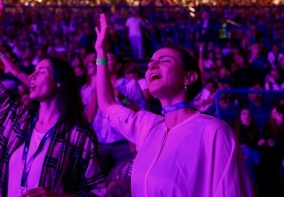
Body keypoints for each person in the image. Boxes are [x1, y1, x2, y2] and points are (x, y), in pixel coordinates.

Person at [94, 13, 254, 196]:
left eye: (164, 61)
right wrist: (101, 53)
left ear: (189, 77)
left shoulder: (213, 131)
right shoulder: (147, 126)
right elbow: (106, 105)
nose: (152, 66)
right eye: (150, 64)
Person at [0, 0, 106, 196]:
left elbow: (97, 192)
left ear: (59, 82)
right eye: (33, 71)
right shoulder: (17, 119)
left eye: (41, 71)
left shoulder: (78, 135)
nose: (31, 76)